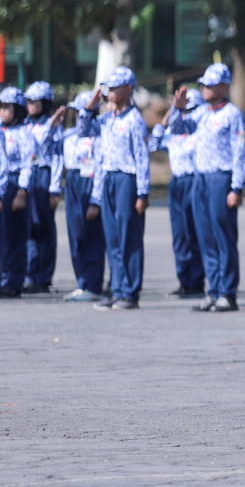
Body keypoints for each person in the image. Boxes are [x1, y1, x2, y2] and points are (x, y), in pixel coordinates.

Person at [170, 63, 245, 314]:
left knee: (222, 236)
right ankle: (213, 289)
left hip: (220, 178)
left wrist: (236, 187)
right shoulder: (202, 113)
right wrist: (177, 108)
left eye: (210, 84)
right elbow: (176, 128)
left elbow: (239, 152)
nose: (204, 88)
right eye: (203, 84)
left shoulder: (232, 114)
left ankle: (227, 292)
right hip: (200, 178)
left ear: (224, 87)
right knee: (205, 237)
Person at [79, 68, 150, 310]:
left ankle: (130, 292)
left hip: (126, 180)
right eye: (108, 87)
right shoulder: (107, 119)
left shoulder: (134, 120)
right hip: (108, 177)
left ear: (129, 89)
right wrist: (89, 107)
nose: (109, 92)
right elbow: (83, 131)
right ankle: (117, 288)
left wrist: (143, 193)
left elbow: (142, 158)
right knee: (112, 239)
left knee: (128, 237)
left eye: (114, 87)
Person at [148, 88, 207, 298]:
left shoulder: (200, 132)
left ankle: (197, 281)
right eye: (183, 110)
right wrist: (165, 121)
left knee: (195, 232)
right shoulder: (174, 132)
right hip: (177, 182)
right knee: (179, 234)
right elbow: (153, 144)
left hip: (194, 180)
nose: (185, 114)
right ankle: (184, 280)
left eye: (190, 110)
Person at [61, 91, 105, 302]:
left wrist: (95, 201)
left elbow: (100, 168)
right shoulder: (69, 134)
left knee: (92, 236)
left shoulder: (100, 135)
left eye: (82, 111)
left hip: (91, 179)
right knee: (76, 235)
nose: (78, 116)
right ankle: (82, 282)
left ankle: (94, 285)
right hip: (73, 182)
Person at [23, 82, 62, 293]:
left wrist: (54, 188)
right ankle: (29, 274)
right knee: (28, 228)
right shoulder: (25, 124)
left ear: (45, 103)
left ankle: (43, 277)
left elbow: (57, 157)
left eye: (34, 101)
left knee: (43, 227)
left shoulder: (53, 125)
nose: (30, 105)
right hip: (26, 176)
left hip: (43, 175)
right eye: (27, 101)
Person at [0, 87, 31, 298]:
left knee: (14, 235)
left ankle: (14, 280)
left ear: (18, 109)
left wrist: (22, 191)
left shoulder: (24, 133)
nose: (2, 110)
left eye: (6, 107)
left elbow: (29, 163)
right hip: (2, 184)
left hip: (14, 183)